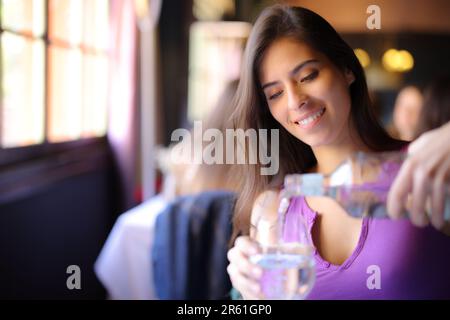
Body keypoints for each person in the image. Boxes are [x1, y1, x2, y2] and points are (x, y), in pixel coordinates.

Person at [226, 4, 450, 300]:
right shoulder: (273, 210)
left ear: (346, 69)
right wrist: (248, 295)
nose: (295, 101)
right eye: (275, 93)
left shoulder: (423, 170)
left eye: (308, 76)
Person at [387, 77, 450, 233]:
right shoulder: (382, 149)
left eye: (414, 108)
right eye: (402, 106)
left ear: (426, 112)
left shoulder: (434, 155)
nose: (406, 114)